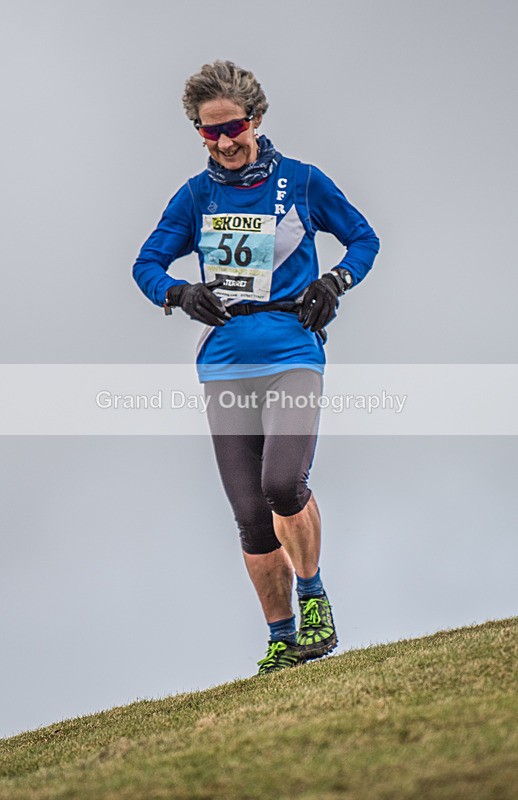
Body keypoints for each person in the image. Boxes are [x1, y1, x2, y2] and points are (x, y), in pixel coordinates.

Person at [133, 60, 379, 675]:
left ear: (257, 119)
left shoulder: (301, 181)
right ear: (199, 133)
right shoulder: (195, 196)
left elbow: (364, 238)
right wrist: (180, 294)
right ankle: (280, 638)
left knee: (281, 484)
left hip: (293, 353)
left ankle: (314, 596)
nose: (225, 141)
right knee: (249, 516)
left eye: (234, 126)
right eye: (209, 132)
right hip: (224, 367)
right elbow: (146, 265)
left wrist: (336, 280)